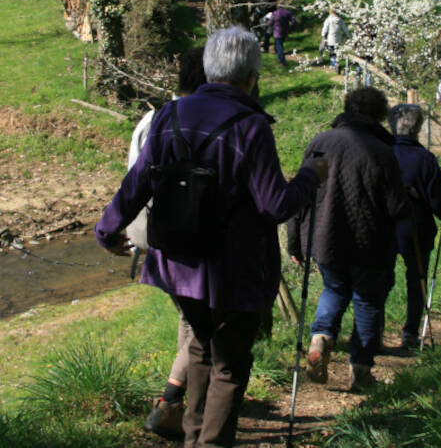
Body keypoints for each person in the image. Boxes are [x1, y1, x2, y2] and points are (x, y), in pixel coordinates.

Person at [94, 26, 327, 448]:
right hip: (232, 272)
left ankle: (193, 439)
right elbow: (276, 205)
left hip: (179, 266)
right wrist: (310, 177)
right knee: (229, 366)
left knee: (201, 350)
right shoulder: (251, 126)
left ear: (207, 68)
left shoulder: (170, 115)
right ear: (252, 76)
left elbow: (137, 183)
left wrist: (108, 230)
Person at [287, 87, 409, 391]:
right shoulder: (382, 151)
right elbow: (397, 206)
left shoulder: (322, 144)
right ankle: (361, 371)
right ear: (379, 114)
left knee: (334, 289)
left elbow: (302, 194)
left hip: (326, 238)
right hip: (371, 241)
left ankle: (320, 338)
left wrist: (295, 241)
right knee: (367, 302)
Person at [125, 47, 207, 439]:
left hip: (152, 229)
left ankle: (185, 397)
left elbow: (134, 177)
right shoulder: (185, 122)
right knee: (201, 323)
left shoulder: (152, 117)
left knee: (188, 316)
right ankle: (170, 402)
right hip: (176, 231)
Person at [386, 103, 441, 349]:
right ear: (418, 128)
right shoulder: (425, 159)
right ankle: (410, 333)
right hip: (417, 231)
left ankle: (373, 332)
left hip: (384, 229)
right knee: (416, 281)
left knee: (380, 281)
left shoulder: (381, 153)